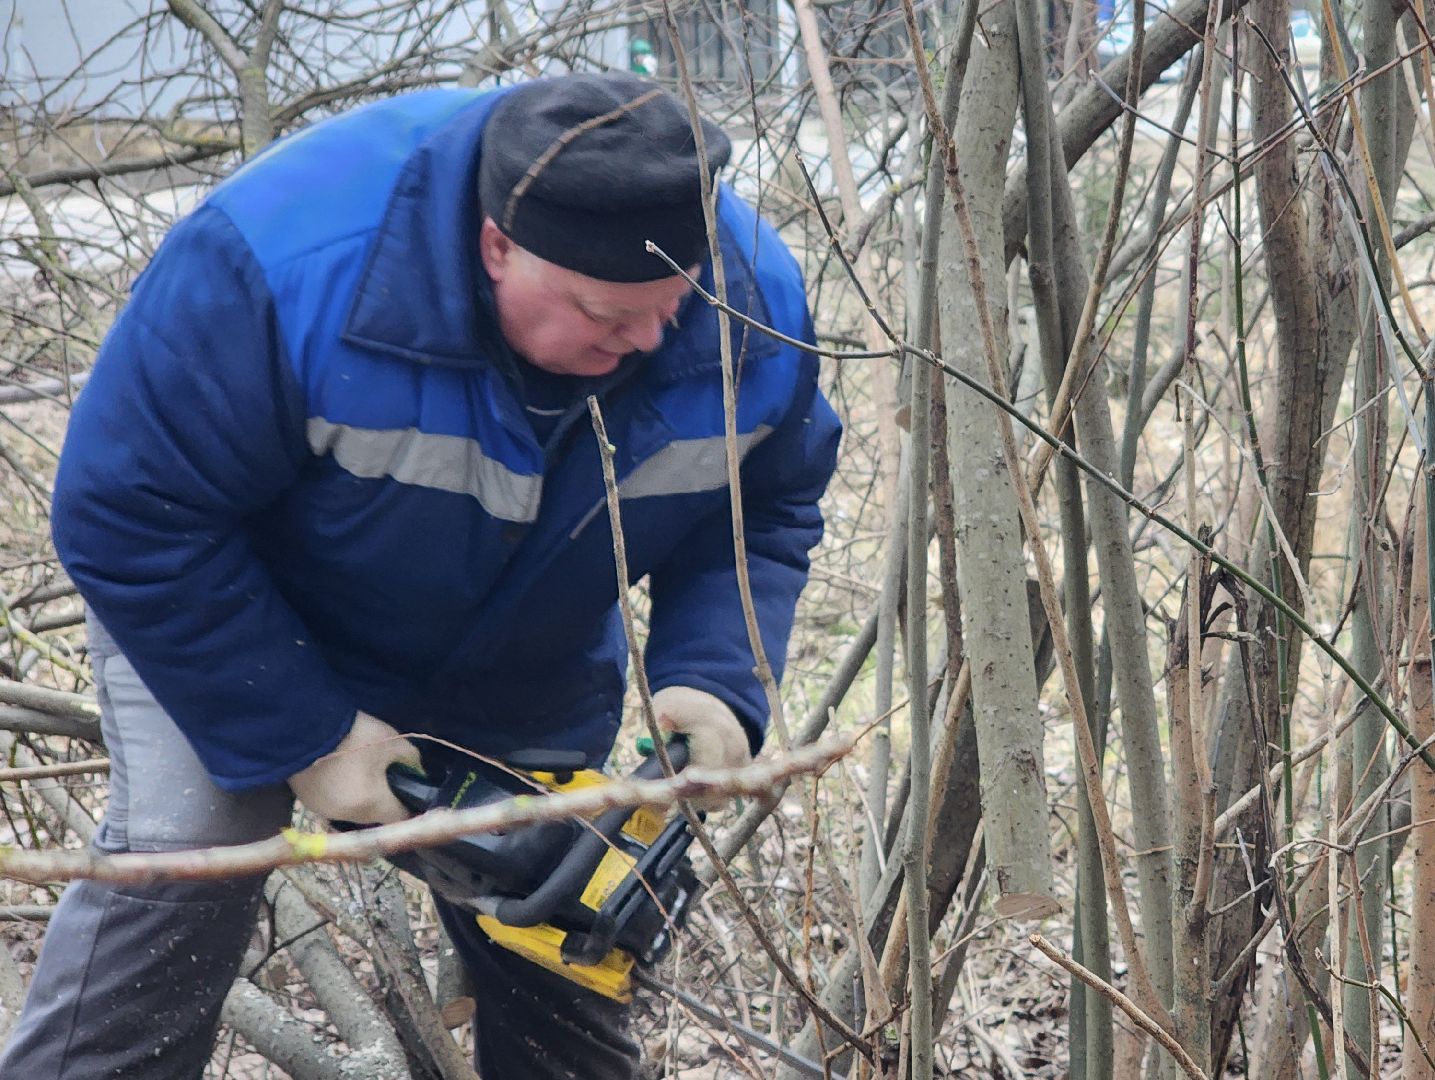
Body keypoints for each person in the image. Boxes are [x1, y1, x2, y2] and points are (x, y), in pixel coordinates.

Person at [0, 72, 840, 1079]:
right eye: (606, 313)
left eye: (671, 308)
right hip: (234, 612)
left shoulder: (749, 308)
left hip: (522, 634)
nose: (650, 340)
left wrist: (715, 673)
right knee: (186, 862)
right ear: (498, 247)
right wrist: (304, 732)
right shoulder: (284, 262)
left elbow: (764, 505)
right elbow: (127, 510)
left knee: (565, 903)